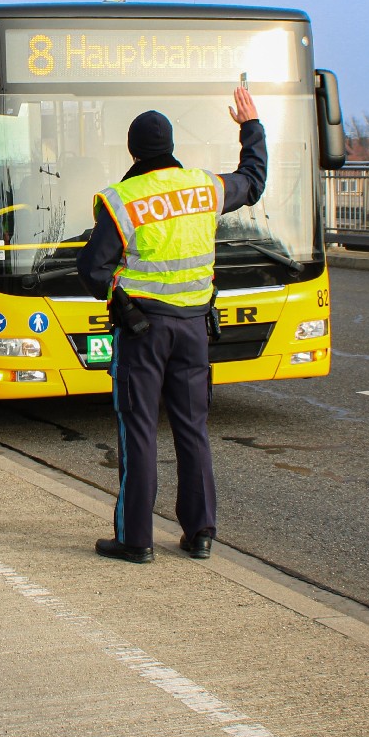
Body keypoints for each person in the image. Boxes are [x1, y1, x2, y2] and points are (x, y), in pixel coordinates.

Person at [76, 85, 266, 564]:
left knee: (138, 429)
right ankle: (200, 533)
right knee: (192, 429)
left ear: (133, 150)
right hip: (194, 330)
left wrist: (119, 300)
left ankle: (135, 539)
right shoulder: (205, 187)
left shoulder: (123, 199)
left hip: (143, 331)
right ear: (172, 147)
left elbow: (91, 270)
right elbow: (253, 180)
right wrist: (250, 127)